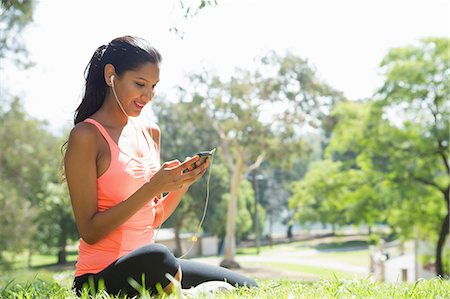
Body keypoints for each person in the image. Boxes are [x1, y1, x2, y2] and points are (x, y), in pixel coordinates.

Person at [64, 35, 257, 297]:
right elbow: (90, 230)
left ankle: (176, 290)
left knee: (247, 286)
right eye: (140, 84)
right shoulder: (87, 136)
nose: (148, 95)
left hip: (151, 265)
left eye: (154, 86)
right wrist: (153, 186)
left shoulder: (151, 133)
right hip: (99, 277)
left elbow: (153, 218)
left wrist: (180, 184)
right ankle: (185, 292)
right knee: (159, 257)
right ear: (111, 75)